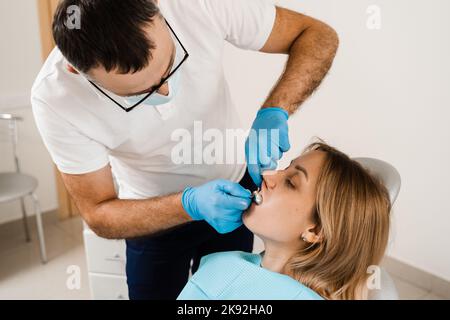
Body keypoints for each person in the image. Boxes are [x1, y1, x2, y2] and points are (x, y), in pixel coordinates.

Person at [31, 0, 339, 299]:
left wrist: (276, 109)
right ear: (76, 71)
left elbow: (317, 35)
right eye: (142, 92)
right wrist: (188, 204)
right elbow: (98, 212)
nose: (166, 90)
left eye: (170, 65)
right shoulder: (55, 99)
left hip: (233, 189)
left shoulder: (196, 5)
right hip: (149, 219)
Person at [178, 141, 391, 300]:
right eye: (285, 168)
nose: (268, 176)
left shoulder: (224, 270)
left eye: (290, 182)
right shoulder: (224, 264)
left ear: (316, 230)